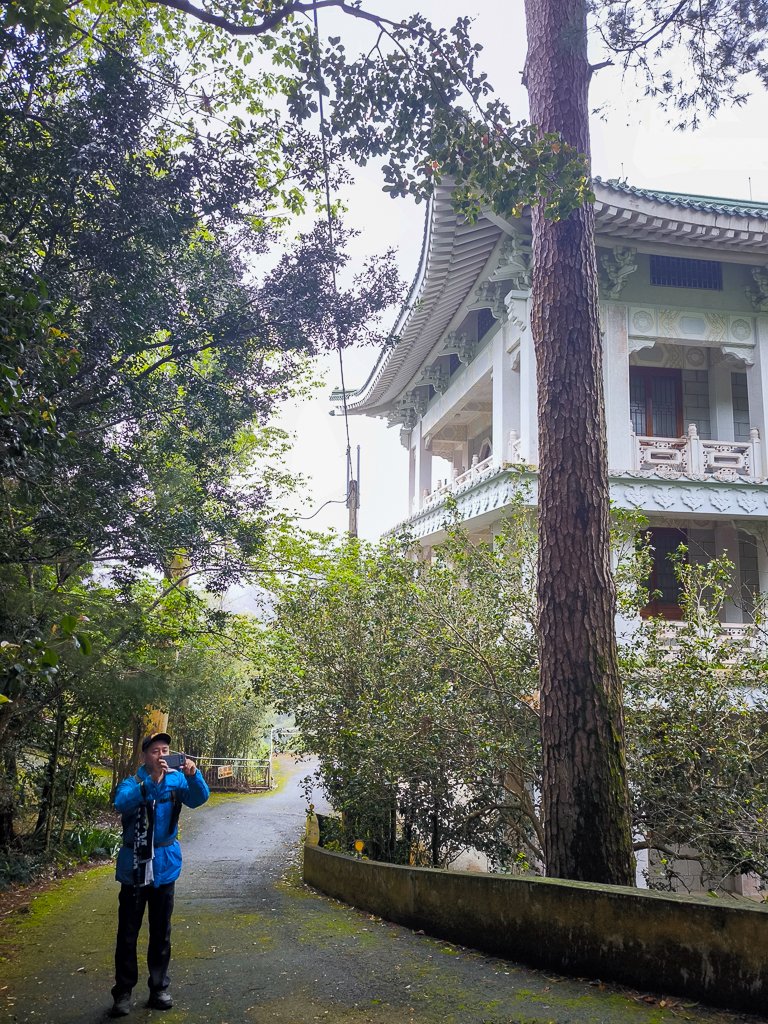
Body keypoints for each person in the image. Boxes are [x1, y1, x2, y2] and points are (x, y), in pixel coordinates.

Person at [109, 732, 209, 1017]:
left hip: (165, 866)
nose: (162, 755)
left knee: (161, 932)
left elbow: (199, 799)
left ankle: (159, 987)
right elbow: (122, 802)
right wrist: (153, 783)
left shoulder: (178, 781)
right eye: (156, 751)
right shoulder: (133, 782)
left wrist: (193, 775)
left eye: (166, 750)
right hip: (134, 868)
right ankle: (123, 992)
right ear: (145, 756)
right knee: (128, 933)